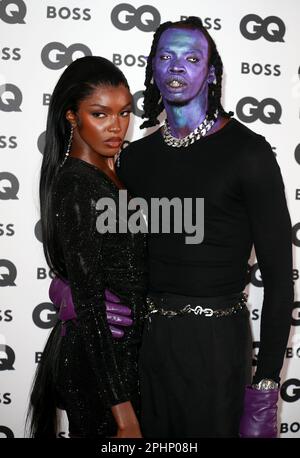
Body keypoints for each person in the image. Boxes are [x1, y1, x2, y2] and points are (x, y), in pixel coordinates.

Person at [51, 17, 294, 438]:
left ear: (211, 72)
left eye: (191, 57)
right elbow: (96, 240)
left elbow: (279, 280)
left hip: (217, 345)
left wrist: (266, 387)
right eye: (166, 56)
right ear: (153, 69)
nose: (177, 67)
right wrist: (66, 289)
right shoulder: (134, 158)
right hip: (143, 349)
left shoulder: (249, 154)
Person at [27, 56, 147, 438]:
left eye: (125, 112)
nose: (117, 126)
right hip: (102, 374)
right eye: (100, 114)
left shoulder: (114, 170)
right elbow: (90, 303)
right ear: (72, 117)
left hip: (127, 361)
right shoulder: (79, 185)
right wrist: (124, 415)